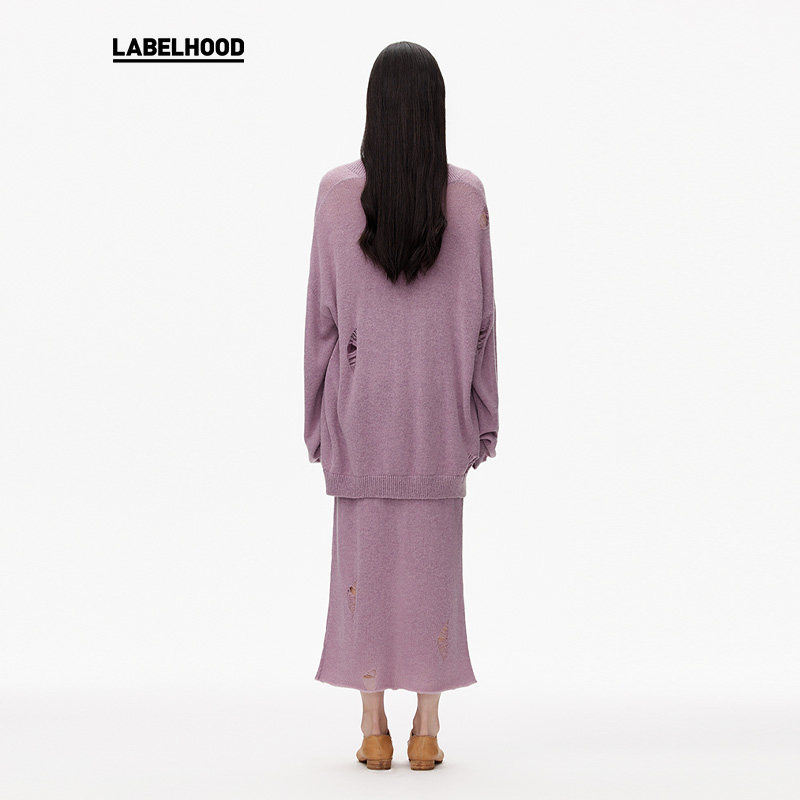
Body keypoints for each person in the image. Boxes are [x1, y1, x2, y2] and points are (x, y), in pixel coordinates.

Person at [303, 41, 499, 771]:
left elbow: (321, 320)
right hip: (438, 418)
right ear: (435, 111)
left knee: (365, 572)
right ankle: (427, 730)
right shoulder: (467, 198)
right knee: (431, 576)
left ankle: (371, 729)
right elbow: (483, 324)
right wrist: (482, 419)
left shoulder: (335, 195)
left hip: (361, 416)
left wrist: (316, 422)